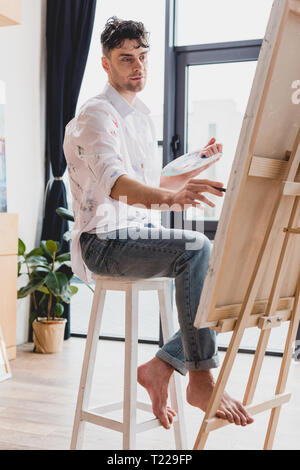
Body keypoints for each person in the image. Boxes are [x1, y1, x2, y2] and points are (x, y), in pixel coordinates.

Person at [63, 16, 254, 430]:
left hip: (135, 233)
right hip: (104, 241)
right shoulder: (95, 116)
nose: (138, 66)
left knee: (213, 264)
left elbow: (149, 181)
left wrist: (194, 165)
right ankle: (200, 380)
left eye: (143, 57)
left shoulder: (138, 115)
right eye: (126, 58)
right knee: (197, 249)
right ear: (105, 64)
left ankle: (162, 364)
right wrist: (171, 198)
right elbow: (118, 186)